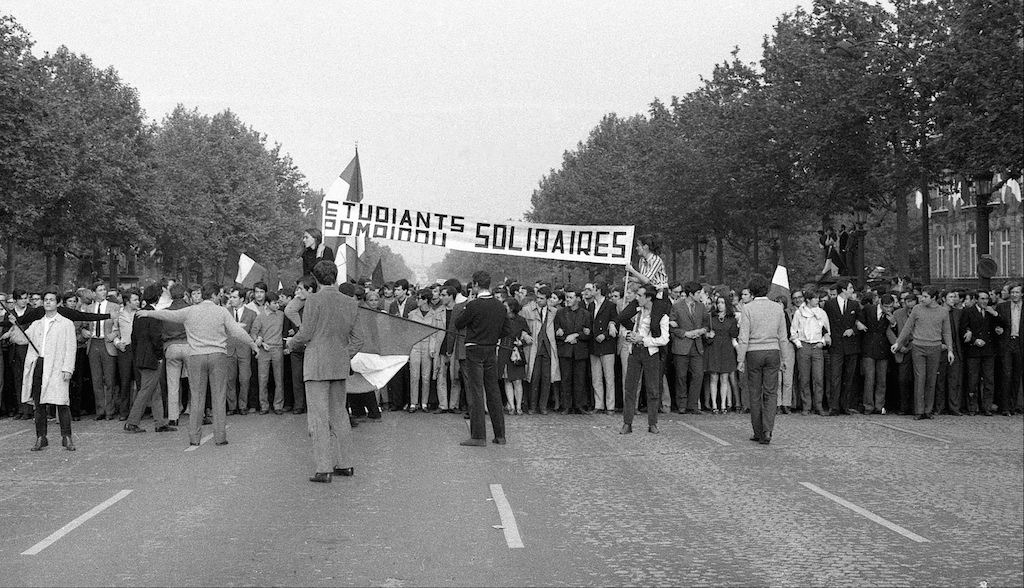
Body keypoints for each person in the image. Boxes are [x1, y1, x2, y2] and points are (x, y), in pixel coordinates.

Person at [138, 282, 259, 447]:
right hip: (218, 356)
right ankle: (220, 437)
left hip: (196, 356)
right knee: (218, 396)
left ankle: (194, 437)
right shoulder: (221, 311)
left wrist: (148, 313)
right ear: (215, 295)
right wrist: (253, 345)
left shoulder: (190, 311)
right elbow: (237, 332)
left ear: (202, 295)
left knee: (196, 397)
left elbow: (169, 316)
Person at [287, 261, 363, 482]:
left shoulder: (314, 300)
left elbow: (306, 333)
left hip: (317, 363)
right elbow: (358, 339)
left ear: (315, 277)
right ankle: (346, 463)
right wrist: (343, 354)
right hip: (339, 364)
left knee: (319, 417)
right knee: (339, 413)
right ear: (336, 276)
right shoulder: (350, 302)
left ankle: (324, 468)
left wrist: (291, 343)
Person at [454, 270, 510, 446]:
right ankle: (500, 435)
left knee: (476, 391)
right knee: (493, 390)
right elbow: (507, 330)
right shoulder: (500, 306)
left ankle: (478, 436)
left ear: (476, 285)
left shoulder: (473, 305)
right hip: (491, 349)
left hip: (474, 349)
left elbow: (458, 323)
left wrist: (467, 305)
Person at [22, 288, 78, 451]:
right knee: (39, 403)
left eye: (51, 300)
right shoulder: (37, 323)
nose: (47, 302)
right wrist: (13, 323)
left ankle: (66, 437)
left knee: (61, 402)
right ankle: (41, 437)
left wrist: (68, 367)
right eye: (45, 299)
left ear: (58, 303)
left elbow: (71, 347)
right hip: (39, 365)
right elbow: (23, 338)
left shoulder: (66, 324)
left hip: (57, 366)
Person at [737, 274, 788, 445]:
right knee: (771, 392)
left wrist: (740, 358)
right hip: (773, 351)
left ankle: (758, 430)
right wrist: (785, 357)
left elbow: (743, 336)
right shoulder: (777, 308)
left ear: (751, 292)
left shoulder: (748, 309)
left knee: (755, 392)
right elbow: (783, 336)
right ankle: (768, 429)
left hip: (753, 352)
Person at [891, 286, 954, 420]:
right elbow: (908, 326)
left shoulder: (943, 312)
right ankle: (919, 410)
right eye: (922, 296)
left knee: (931, 378)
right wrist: (898, 342)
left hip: (935, 347)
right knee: (920, 378)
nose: (922, 299)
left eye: (925, 296)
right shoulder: (917, 309)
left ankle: (928, 409)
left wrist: (950, 350)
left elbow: (947, 332)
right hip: (918, 346)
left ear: (933, 298)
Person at [123, 284, 176, 434]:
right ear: (157, 297)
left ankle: (160, 423)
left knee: (154, 390)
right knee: (146, 391)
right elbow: (156, 338)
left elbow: (134, 337)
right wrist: (160, 355)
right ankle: (132, 422)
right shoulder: (153, 314)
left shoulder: (139, 314)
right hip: (151, 358)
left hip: (141, 356)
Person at [618, 284, 670, 434]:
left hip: (650, 353)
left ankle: (652, 423)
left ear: (648, 297)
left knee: (653, 389)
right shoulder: (636, 312)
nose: (637, 298)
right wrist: (628, 335)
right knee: (630, 388)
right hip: (634, 352)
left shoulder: (661, 316)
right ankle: (627, 422)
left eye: (640, 295)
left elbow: (664, 339)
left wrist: (644, 339)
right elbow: (625, 327)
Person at [669, 281, 710, 414]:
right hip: (682, 344)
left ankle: (692, 404)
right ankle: (681, 404)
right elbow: (671, 326)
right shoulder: (676, 306)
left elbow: (707, 324)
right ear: (691, 294)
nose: (700, 296)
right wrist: (685, 333)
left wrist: (702, 331)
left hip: (697, 346)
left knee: (698, 375)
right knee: (681, 376)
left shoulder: (701, 307)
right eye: (698, 293)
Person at [823, 279, 862, 415]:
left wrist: (853, 330)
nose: (852, 290)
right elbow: (823, 322)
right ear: (843, 289)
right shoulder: (829, 305)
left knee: (848, 377)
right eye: (850, 288)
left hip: (851, 346)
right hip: (836, 345)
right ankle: (834, 406)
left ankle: (845, 405)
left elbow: (861, 322)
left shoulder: (854, 304)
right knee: (835, 377)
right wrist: (826, 335)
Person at [791, 290, 831, 415]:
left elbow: (827, 331)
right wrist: (799, 344)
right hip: (804, 346)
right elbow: (793, 331)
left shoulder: (822, 313)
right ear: (808, 300)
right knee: (804, 378)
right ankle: (806, 406)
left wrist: (822, 342)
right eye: (814, 298)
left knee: (818, 378)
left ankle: (818, 405)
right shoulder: (799, 313)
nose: (817, 301)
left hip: (817, 347)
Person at [554, 284, 592, 414]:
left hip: (580, 350)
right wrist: (564, 336)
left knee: (580, 379)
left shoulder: (585, 314)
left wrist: (577, 335)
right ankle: (566, 405)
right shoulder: (560, 313)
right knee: (566, 379)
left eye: (570, 297)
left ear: (577, 299)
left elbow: (588, 333)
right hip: (565, 350)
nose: (568, 300)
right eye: (566, 297)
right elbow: (557, 331)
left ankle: (579, 405)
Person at [961, 290, 998, 415]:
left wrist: (995, 314)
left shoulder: (989, 312)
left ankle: (986, 407)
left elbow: (1001, 324)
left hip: (988, 351)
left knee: (989, 380)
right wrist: (973, 340)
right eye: (982, 299)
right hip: (974, 350)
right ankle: (972, 407)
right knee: (973, 380)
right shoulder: (968, 311)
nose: (984, 301)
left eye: (986, 299)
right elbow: (963, 329)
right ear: (976, 299)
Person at [251, 291, 286, 415]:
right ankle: (264, 405)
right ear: (267, 304)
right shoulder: (260, 316)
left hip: (278, 348)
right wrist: (259, 340)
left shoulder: (281, 315)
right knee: (263, 378)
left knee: (279, 378)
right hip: (264, 350)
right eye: (274, 303)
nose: (277, 305)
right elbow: (253, 332)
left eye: (278, 303)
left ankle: (278, 405)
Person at [706, 295, 739, 414]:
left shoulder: (731, 319)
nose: (720, 305)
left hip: (726, 349)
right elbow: (706, 332)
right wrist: (708, 335)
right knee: (714, 377)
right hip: (714, 348)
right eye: (718, 302)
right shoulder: (712, 318)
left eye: (722, 303)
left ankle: (723, 405)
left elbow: (734, 334)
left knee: (725, 378)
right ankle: (714, 405)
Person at [588, 282, 617, 414]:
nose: (590, 291)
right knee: (596, 377)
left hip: (606, 344)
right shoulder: (591, 305)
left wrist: (605, 335)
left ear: (598, 290)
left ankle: (610, 405)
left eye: (592, 289)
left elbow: (614, 321)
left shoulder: (610, 305)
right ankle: (598, 404)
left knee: (609, 377)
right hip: (594, 344)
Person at [993, 283, 1023, 416]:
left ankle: (1013, 405)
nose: (1014, 295)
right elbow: (996, 323)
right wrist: (997, 329)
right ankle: (1004, 407)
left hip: (1020, 344)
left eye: (1017, 292)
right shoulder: (1002, 306)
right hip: (1007, 343)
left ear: (1022, 294)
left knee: (1017, 376)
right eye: (1013, 292)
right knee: (1006, 374)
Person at [498, 298, 531, 415]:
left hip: (516, 352)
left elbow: (528, 336)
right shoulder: (500, 319)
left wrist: (522, 342)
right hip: (504, 351)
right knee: (507, 380)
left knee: (517, 381)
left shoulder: (521, 320)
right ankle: (511, 405)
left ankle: (518, 406)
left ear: (511, 308)